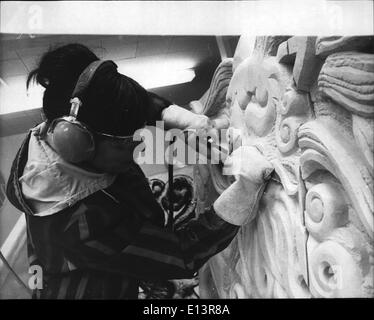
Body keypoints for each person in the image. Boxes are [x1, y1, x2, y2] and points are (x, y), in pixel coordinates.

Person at [6, 43, 273, 299]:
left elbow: (129, 100)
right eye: (127, 144)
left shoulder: (62, 128)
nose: (140, 149)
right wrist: (242, 194)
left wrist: (182, 120)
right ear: (80, 143)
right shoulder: (79, 223)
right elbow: (181, 253)